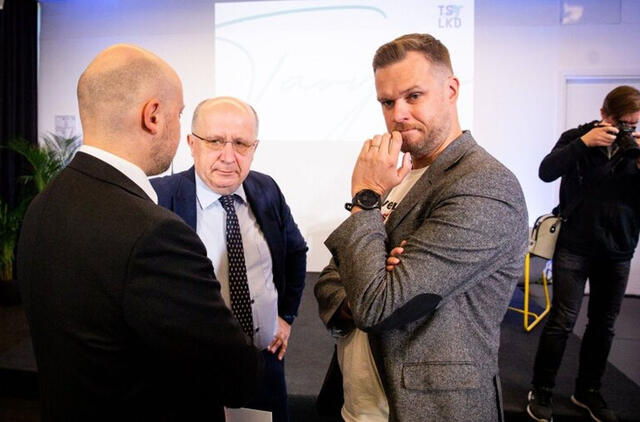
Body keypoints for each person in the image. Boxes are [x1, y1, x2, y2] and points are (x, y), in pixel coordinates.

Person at [16, 44, 263, 421]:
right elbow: (237, 377)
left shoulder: (44, 204)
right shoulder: (154, 234)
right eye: (179, 114)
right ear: (153, 116)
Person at [314, 33, 528, 422]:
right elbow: (330, 278)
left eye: (413, 96)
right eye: (387, 102)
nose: (398, 114)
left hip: (428, 409)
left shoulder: (484, 185)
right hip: (355, 405)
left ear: (451, 90)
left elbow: (378, 308)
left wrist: (365, 197)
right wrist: (366, 283)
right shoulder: (398, 175)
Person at [151, 96, 307, 422]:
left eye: (241, 143)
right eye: (215, 141)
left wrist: (286, 316)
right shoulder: (159, 199)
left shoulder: (266, 189)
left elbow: (295, 253)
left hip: (264, 360)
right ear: (192, 144)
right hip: (190, 371)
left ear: (254, 147)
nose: (228, 156)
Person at [526, 86, 640, 422]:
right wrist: (584, 144)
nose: (627, 130)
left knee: (604, 326)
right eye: (622, 123)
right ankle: (541, 389)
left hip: (618, 250)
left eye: (633, 125)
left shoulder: (635, 151)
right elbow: (546, 171)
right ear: (605, 114)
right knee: (562, 321)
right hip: (574, 246)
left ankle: (588, 390)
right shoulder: (577, 138)